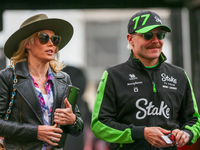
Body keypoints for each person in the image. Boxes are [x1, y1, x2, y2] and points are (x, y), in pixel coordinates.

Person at [91, 10, 200, 150]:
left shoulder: (179, 75)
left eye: (160, 35)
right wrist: (141, 133)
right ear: (130, 39)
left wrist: (187, 133)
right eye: (148, 35)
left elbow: (194, 120)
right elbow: (99, 125)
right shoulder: (113, 75)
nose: (155, 41)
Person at [0, 14, 84, 150]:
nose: (51, 43)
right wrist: (35, 132)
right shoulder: (7, 77)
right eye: (44, 38)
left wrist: (72, 120)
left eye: (55, 39)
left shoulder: (63, 79)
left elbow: (78, 128)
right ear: (27, 43)